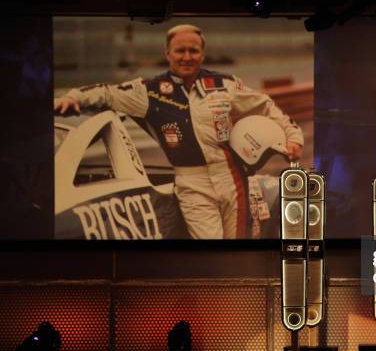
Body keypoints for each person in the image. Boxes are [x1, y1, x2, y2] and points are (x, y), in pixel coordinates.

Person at [54, 24, 304, 239]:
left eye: (193, 50)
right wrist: (73, 96)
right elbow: (107, 93)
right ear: (168, 54)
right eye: (180, 51)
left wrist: (293, 138)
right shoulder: (149, 91)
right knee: (213, 254)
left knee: (237, 246)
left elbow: (265, 104)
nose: (187, 56)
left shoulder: (223, 84)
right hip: (192, 183)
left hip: (232, 177)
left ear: (202, 54)